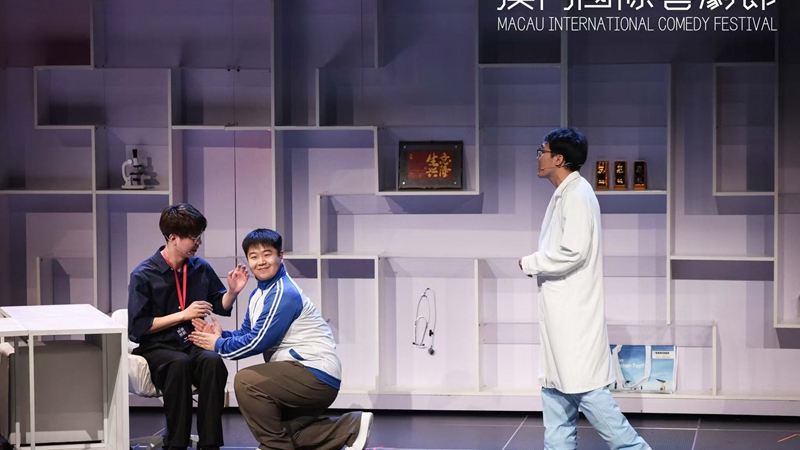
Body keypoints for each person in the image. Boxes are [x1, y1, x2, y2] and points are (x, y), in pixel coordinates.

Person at [518, 128, 652, 450]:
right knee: (556, 408)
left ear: (559, 159)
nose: (539, 157)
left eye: (543, 151)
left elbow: (573, 252)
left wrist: (532, 262)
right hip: (560, 323)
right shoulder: (565, 194)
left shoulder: (578, 195)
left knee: (597, 406)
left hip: (573, 324)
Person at [189, 228, 373, 450]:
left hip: (313, 372)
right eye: (253, 257)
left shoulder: (283, 293)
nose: (261, 262)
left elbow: (258, 341)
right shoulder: (259, 294)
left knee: (246, 381)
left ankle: (274, 447)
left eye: (267, 254)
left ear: (280, 256)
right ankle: (350, 427)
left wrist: (218, 345)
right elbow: (248, 331)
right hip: (302, 372)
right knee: (286, 432)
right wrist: (221, 335)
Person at [128, 203, 249, 450]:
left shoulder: (199, 268)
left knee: (213, 362)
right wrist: (183, 314)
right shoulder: (144, 274)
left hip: (191, 343)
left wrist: (233, 292)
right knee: (178, 363)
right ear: (173, 238)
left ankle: (210, 444)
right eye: (193, 238)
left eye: (199, 236)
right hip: (158, 348)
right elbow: (138, 326)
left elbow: (219, 304)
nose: (198, 243)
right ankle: (177, 444)